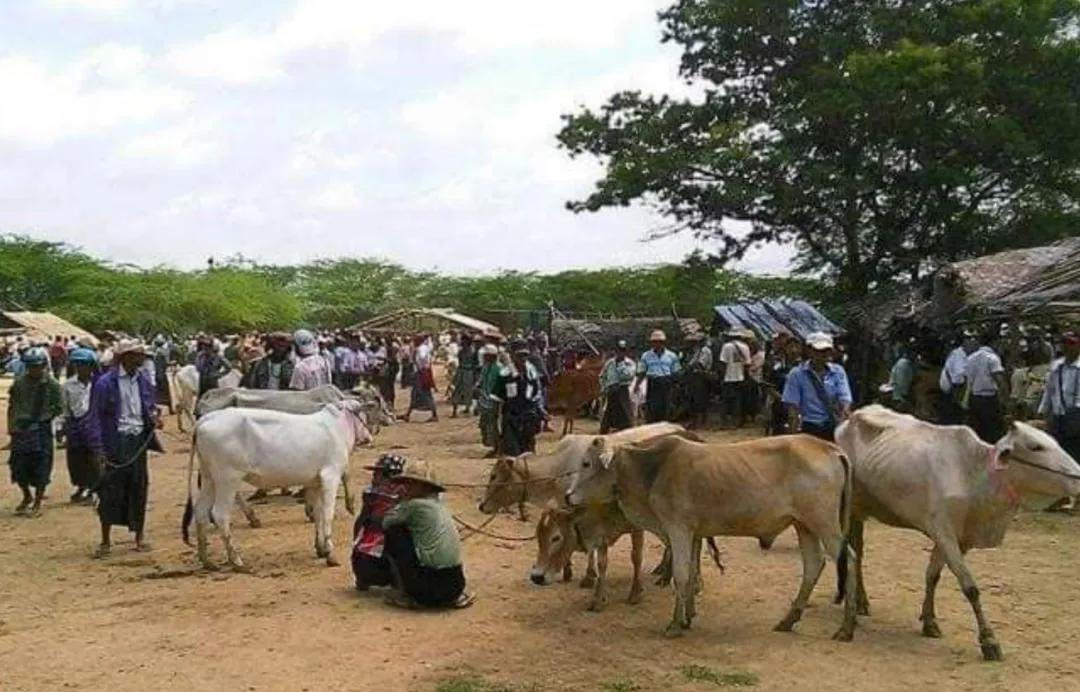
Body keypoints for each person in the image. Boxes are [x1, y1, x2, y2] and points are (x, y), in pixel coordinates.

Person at [86, 339, 162, 556]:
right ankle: (105, 541)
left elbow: (149, 407)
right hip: (115, 442)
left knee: (139, 488)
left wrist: (154, 418)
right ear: (125, 357)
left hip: (138, 441)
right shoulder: (104, 383)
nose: (142, 359)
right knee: (110, 491)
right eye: (138, 355)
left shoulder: (144, 380)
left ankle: (139, 537)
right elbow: (95, 418)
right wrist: (98, 449)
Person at [381, 459, 473, 610]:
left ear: (423, 487)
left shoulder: (414, 505)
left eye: (411, 483)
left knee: (395, 532)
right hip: (455, 586)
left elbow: (386, 522)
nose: (405, 487)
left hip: (429, 589)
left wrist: (401, 502)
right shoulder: (439, 505)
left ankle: (407, 593)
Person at [7, 347, 63, 516]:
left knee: (42, 466)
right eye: (31, 366)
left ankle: (38, 502)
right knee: (17, 466)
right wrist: (12, 429)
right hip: (21, 429)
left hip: (41, 429)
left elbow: (58, 407)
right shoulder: (19, 383)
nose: (34, 370)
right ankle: (26, 496)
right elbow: (12, 405)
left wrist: (45, 419)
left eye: (38, 366)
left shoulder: (51, 384)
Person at [352, 454, 410, 591]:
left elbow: (361, 521)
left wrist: (356, 541)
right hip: (388, 554)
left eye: (377, 473)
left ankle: (363, 580)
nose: (374, 476)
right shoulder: (405, 495)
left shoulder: (371, 494)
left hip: (368, 558)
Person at [781, 332, 852, 441]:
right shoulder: (797, 374)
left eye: (826, 351)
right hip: (809, 427)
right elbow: (792, 407)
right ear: (809, 350)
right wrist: (793, 435)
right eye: (818, 351)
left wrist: (843, 416)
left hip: (832, 425)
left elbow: (845, 398)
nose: (822, 354)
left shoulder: (838, 371)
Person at [59, 348, 101, 504]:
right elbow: (65, 410)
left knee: (95, 458)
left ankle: (95, 488)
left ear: (92, 366)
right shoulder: (67, 386)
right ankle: (82, 486)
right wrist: (62, 428)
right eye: (79, 365)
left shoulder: (100, 383)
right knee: (76, 459)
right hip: (76, 426)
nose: (82, 368)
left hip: (96, 425)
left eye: (85, 364)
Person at [491, 340, 544, 456]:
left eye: (525, 355)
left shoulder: (532, 373)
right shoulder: (504, 374)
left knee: (528, 451)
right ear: (512, 356)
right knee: (512, 452)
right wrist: (495, 423)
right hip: (511, 418)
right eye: (519, 356)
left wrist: (541, 411)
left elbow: (536, 395)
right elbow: (497, 399)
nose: (523, 359)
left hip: (528, 417)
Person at [965, 331, 1007, 443]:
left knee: (978, 432)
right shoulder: (992, 358)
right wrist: (1005, 397)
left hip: (974, 398)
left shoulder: (970, 358)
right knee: (993, 432)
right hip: (989, 399)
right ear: (994, 342)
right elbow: (999, 379)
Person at [634, 330, 681, 424]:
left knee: (666, 406)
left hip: (666, 382)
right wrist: (637, 385)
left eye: (659, 342)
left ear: (664, 342)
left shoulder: (671, 356)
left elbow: (676, 372)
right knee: (652, 407)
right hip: (653, 382)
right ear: (652, 343)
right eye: (655, 342)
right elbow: (642, 372)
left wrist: (676, 385)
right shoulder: (646, 356)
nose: (657, 344)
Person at [939, 331, 977, 424]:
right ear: (964, 342)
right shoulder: (958, 355)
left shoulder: (966, 355)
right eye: (969, 339)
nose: (973, 342)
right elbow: (958, 378)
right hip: (952, 393)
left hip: (955, 392)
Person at [599, 340, 636, 434]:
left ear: (626, 352)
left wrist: (620, 365)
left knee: (625, 414)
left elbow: (628, 376)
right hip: (611, 390)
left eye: (622, 350)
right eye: (618, 350)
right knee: (608, 415)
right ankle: (604, 433)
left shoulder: (630, 363)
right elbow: (602, 375)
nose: (620, 353)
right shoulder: (609, 363)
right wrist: (604, 387)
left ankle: (627, 433)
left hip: (623, 390)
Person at [403, 335, 438, 422]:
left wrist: (418, 366)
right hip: (423, 372)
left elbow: (422, 358)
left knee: (424, 393)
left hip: (422, 373)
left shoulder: (421, 349)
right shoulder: (424, 348)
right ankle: (407, 414)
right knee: (416, 394)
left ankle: (434, 414)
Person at [719, 330, 750, 428]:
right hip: (740, 377)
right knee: (738, 401)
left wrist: (721, 376)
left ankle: (724, 423)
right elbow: (747, 364)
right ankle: (735, 422)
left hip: (728, 377)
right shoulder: (745, 347)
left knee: (725, 401)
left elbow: (723, 363)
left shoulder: (726, 346)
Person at [475, 344, 502, 456]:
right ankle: (493, 447)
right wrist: (477, 387)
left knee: (495, 426)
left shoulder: (499, 368)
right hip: (484, 400)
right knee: (486, 425)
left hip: (494, 401)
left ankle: (498, 448)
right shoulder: (486, 367)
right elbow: (481, 380)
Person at [683, 333, 714, 429]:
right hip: (695, 377)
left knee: (700, 399)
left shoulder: (704, 350)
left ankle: (701, 422)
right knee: (694, 399)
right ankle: (696, 421)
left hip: (700, 377)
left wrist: (688, 368)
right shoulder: (696, 351)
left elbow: (700, 364)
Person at [449, 335, 479, 418]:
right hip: (461, 371)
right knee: (456, 391)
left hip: (469, 372)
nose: (463, 343)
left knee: (468, 392)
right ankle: (454, 411)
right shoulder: (461, 351)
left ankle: (468, 408)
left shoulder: (473, 352)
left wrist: (475, 377)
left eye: (465, 341)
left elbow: (475, 364)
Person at [884, 341, 916, 413]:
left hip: (899, 398)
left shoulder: (902, 363)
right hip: (899, 397)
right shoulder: (904, 363)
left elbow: (901, 383)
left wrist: (901, 396)